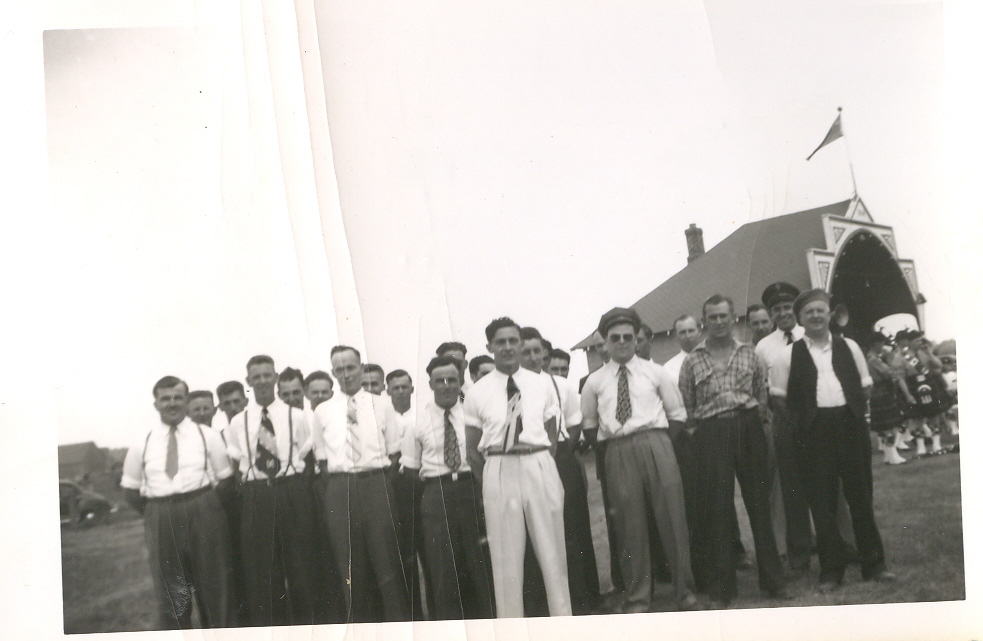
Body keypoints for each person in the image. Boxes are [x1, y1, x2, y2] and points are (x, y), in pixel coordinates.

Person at [770, 289, 896, 592]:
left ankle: (874, 564)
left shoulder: (849, 346)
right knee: (822, 501)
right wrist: (805, 426)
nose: (815, 316)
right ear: (799, 318)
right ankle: (831, 569)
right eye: (809, 312)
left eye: (820, 310)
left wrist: (850, 413)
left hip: (849, 426)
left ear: (829, 314)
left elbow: (864, 387)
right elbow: (779, 401)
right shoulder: (786, 355)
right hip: (814, 433)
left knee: (860, 496)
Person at [581, 308, 699, 612]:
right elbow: (590, 426)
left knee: (672, 519)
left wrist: (656, 445)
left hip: (657, 444)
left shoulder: (655, 372)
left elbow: (677, 415)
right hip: (618, 449)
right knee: (629, 526)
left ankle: (684, 592)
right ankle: (638, 596)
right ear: (604, 342)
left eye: (628, 337)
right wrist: (619, 449)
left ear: (637, 339)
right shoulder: (594, 382)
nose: (622, 342)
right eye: (615, 338)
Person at [678, 295, 787, 608]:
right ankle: (724, 587)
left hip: (747, 426)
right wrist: (702, 433)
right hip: (711, 433)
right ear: (704, 321)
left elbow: (759, 394)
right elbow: (688, 404)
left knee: (759, 504)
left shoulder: (749, 354)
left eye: (724, 316)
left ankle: (773, 582)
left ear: (734, 317)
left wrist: (751, 420)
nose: (719, 322)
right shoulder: (692, 361)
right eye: (712, 317)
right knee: (718, 510)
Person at [464, 317, 571, 618]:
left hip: (538, 462)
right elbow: (473, 448)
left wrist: (537, 459)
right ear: (489, 347)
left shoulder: (541, 382)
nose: (508, 347)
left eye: (513, 340)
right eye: (501, 342)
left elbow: (551, 434)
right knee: (505, 559)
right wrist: (495, 474)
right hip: (499, 467)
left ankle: (564, 624)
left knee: (554, 552)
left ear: (521, 343)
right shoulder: (477, 392)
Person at [120, 376, 236, 629]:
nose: (172, 403)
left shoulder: (208, 436)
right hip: (162, 516)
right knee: (172, 595)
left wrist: (204, 508)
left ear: (186, 400)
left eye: (177, 397)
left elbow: (226, 481)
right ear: (156, 404)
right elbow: (130, 490)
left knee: (216, 588)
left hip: (203, 511)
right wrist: (158, 512)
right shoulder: (143, 442)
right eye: (165, 398)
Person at [225, 355, 327, 626]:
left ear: (275, 377)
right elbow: (237, 464)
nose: (261, 382)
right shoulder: (238, 422)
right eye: (255, 377)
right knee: (263, 575)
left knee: (302, 570)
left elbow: (308, 458)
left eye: (266, 375)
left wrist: (296, 493)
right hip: (256, 494)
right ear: (248, 381)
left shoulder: (298, 416)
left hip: (291, 490)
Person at [312, 346, 410, 622]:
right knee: (350, 570)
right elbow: (322, 458)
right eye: (339, 369)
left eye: (351, 367)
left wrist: (374, 484)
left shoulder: (382, 405)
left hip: (375, 484)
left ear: (361, 367)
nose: (346, 374)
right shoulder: (323, 411)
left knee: (387, 564)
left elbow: (393, 453)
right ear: (333, 374)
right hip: (340, 488)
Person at [401, 355, 495, 619]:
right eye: (439, 380)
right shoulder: (416, 423)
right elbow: (410, 469)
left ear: (461, 381)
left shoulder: (474, 416)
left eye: (452, 379)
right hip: (435, 494)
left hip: (471, 489)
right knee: (443, 569)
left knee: (479, 564)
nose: (446, 385)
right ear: (430, 383)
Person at [521, 327, 600, 615]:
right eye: (525, 350)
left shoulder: (560, 385)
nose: (533, 356)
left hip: (561, 458)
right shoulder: (514, 386)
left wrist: (558, 455)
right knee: (536, 533)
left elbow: (575, 422)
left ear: (545, 352)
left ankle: (585, 600)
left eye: (537, 350)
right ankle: (543, 606)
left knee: (573, 528)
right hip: (528, 464)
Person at [386, 368, 428, 619]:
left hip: (420, 486)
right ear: (387, 390)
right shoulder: (384, 418)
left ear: (412, 389)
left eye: (405, 386)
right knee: (404, 557)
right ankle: (412, 617)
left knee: (429, 554)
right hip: (394, 488)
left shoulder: (422, 417)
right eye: (395, 387)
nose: (401, 391)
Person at [896, 329, 951, 455]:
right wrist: (908, 395)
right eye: (916, 341)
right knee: (917, 418)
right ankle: (921, 447)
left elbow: (938, 366)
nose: (919, 343)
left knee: (934, 415)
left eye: (920, 340)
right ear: (909, 342)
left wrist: (929, 353)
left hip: (929, 384)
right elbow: (901, 379)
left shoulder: (924, 352)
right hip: (913, 387)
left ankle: (936, 445)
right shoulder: (901, 357)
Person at [866, 333, 915, 465]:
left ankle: (889, 455)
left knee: (887, 426)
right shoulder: (874, 359)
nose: (883, 345)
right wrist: (892, 362)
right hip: (881, 391)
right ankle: (892, 455)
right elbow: (888, 373)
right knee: (890, 425)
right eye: (881, 343)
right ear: (875, 344)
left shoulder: (875, 358)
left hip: (881, 391)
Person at [662, 314, 702, 385]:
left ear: (699, 331)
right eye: (682, 332)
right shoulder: (668, 369)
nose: (688, 336)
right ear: (675, 335)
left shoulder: (714, 357)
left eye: (691, 331)